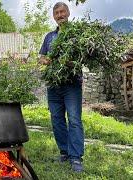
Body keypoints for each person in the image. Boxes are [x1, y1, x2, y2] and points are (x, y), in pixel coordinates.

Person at [39, 2, 84, 172]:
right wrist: (46, 60)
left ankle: (76, 157)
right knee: (57, 119)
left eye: (62, 12)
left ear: (68, 13)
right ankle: (64, 152)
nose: (60, 15)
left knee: (74, 119)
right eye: (56, 13)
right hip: (53, 85)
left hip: (71, 84)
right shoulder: (49, 37)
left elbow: (83, 57)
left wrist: (69, 62)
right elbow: (41, 58)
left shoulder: (77, 34)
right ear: (53, 16)